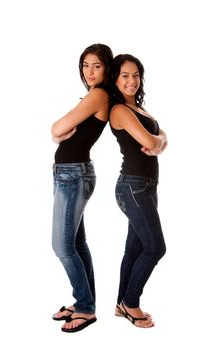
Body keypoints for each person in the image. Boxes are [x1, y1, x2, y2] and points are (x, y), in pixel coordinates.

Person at [51, 43, 113, 333]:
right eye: (86, 65)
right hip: (71, 173)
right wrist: (60, 133)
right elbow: (60, 132)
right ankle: (85, 302)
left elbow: (56, 129)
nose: (89, 71)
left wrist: (59, 132)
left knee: (62, 246)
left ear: (106, 68)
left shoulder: (99, 95)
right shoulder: (93, 95)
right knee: (76, 244)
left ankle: (86, 308)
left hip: (73, 175)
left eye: (96, 65)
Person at [109, 54, 167, 328]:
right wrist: (157, 141)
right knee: (155, 248)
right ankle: (132, 303)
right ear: (115, 79)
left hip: (145, 187)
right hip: (133, 187)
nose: (132, 80)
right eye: (124, 76)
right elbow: (151, 142)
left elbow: (161, 138)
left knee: (134, 248)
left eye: (135, 75)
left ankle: (122, 303)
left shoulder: (140, 109)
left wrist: (159, 141)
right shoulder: (120, 110)